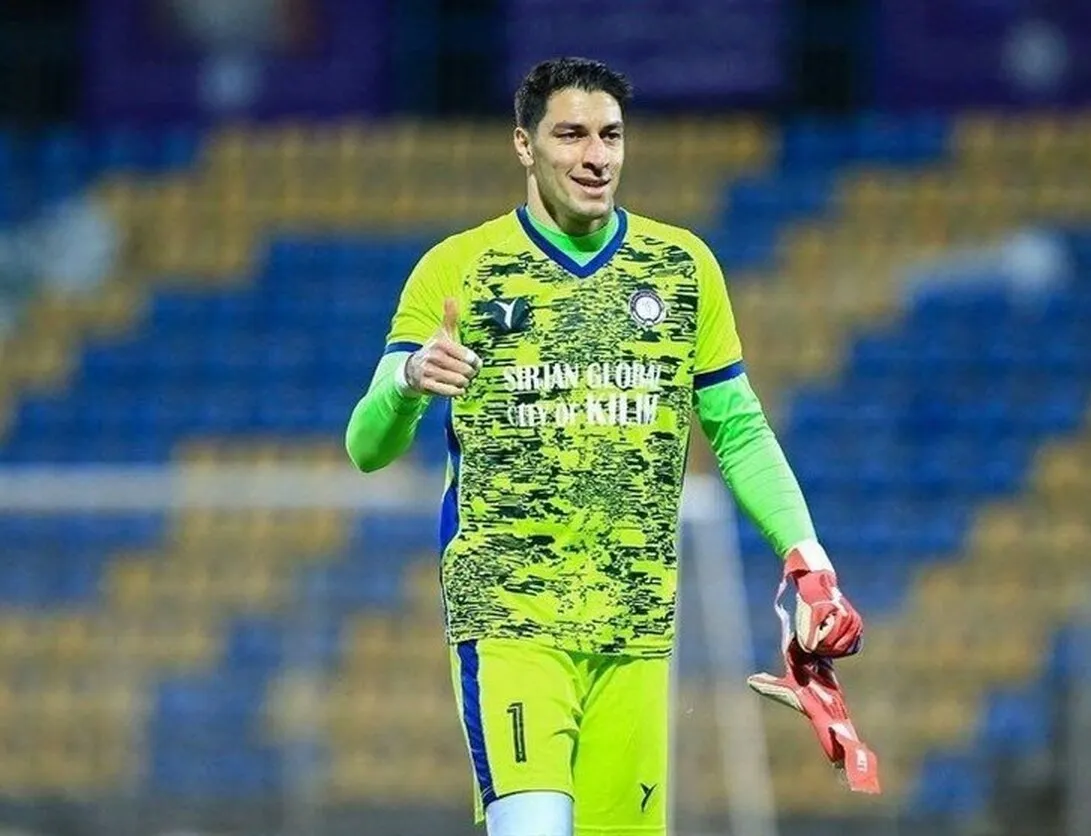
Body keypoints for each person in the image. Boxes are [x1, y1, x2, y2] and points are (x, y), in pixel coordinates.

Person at [345, 56, 864, 836]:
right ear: (524, 145)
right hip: (511, 621)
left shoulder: (682, 268)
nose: (595, 157)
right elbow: (366, 446)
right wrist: (410, 380)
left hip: (637, 632)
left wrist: (808, 560)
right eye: (571, 135)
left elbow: (740, 432)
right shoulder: (458, 269)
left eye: (610, 136)